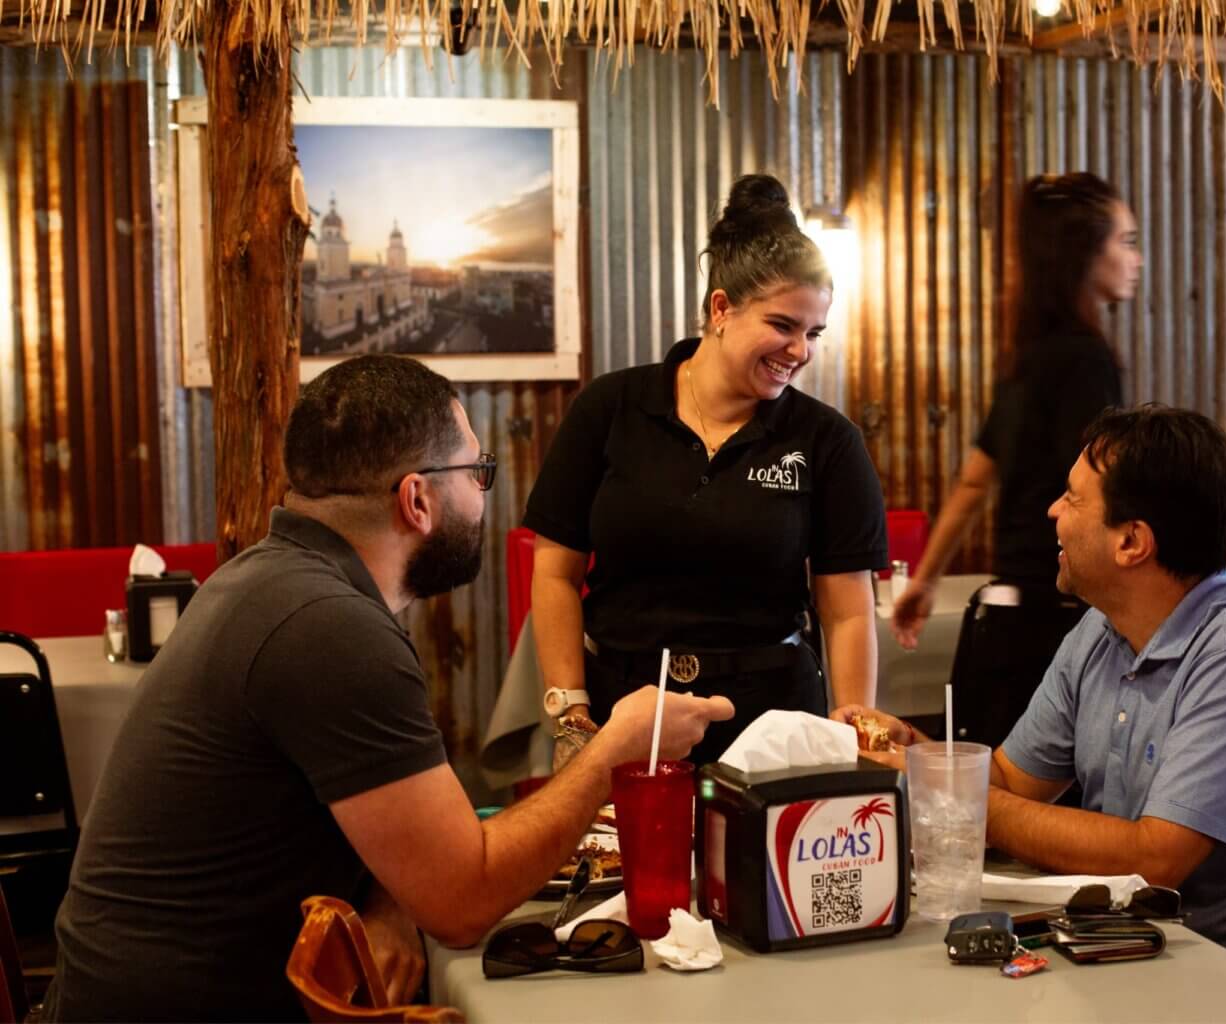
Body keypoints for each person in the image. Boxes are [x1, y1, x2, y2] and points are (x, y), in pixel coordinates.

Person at [43, 356, 733, 1022]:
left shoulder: (276, 580)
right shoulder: (329, 628)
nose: (484, 493)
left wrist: (391, 899)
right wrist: (615, 750)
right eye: (477, 471)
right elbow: (462, 904)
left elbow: (412, 849)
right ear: (418, 499)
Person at [839, 406, 1226, 981]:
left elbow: (1155, 862)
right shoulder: (1102, 630)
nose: (1053, 511)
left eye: (1072, 499)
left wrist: (936, 787)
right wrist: (917, 749)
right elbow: (1011, 781)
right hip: (1114, 953)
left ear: (1131, 542)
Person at [523, 174, 887, 768]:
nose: (801, 352)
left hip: (773, 725)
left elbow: (847, 612)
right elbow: (555, 570)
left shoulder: (828, 441)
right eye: (782, 326)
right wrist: (571, 716)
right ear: (721, 308)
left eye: (814, 333)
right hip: (624, 713)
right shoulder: (611, 408)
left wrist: (851, 736)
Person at [892, 172, 1140, 749]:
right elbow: (1105, 491)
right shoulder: (1083, 359)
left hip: (1000, 620)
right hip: (1056, 622)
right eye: (1125, 242)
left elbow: (974, 481)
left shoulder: (1029, 355)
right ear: (1086, 252)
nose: (1138, 259)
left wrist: (925, 582)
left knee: (984, 801)